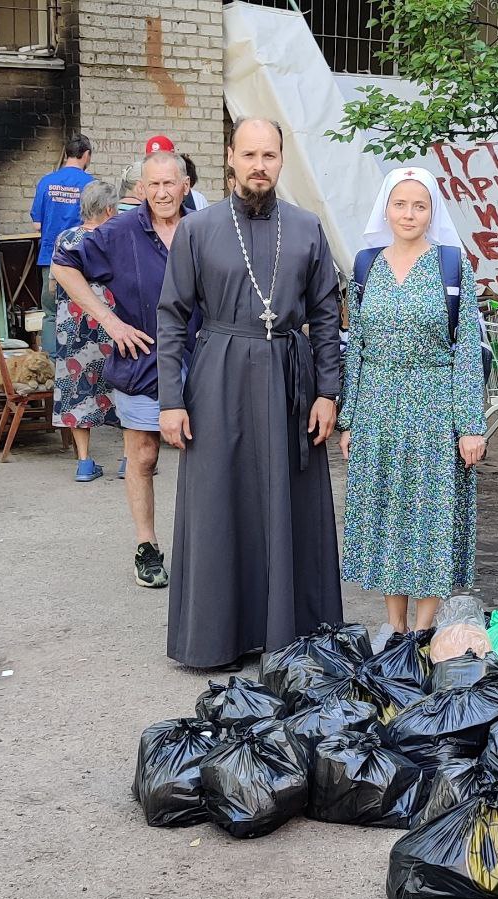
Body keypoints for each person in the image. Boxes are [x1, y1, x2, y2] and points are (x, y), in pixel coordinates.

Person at [156, 117, 343, 670]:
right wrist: (171, 399)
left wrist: (329, 391)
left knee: (291, 502)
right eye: (250, 154)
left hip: (291, 377)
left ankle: (292, 635)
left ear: (281, 161)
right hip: (218, 378)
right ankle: (218, 638)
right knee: (220, 502)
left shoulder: (307, 228)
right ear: (230, 158)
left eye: (270, 155)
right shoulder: (198, 229)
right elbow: (172, 318)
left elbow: (327, 318)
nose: (260, 165)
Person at [338, 167, 487, 637]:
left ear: (432, 212)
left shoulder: (451, 266)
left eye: (419, 205)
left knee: (430, 515)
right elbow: (355, 345)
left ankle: (422, 633)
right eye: (400, 204)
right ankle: (395, 626)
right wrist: (350, 418)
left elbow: (465, 351)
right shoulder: (365, 265)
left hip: (434, 409)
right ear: (386, 208)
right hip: (378, 408)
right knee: (388, 512)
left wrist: (470, 424)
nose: (408, 213)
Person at [50, 151, 197, 588]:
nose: (162, 192)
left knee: (208, 460)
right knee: (145, 455)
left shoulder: (205, 229)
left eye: (170, 183)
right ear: (141, 190)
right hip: (144, 360)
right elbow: (62, 263)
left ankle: (208, 550)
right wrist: (110, 321)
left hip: (204, 359)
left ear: (185, 185)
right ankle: (147, 547)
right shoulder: (119, 232)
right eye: (153, 185)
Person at [50, 180, 121, 481]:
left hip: (73, 328)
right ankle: (130, 460)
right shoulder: (116, 238)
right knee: (123, 384)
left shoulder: (65, 238)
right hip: (110, 323)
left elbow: (55, 284)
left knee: (78, 387)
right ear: (108, 209)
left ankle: (84, 462)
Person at [31, 134, 95, 357]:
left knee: (50, 313)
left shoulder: (46, 182)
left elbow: (37, 224)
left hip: (50, 258)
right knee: (82, 309)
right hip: (80, 261)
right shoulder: (90, 185)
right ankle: (77, 360)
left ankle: (50, 365)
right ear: (86, 155)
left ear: (67, 153)